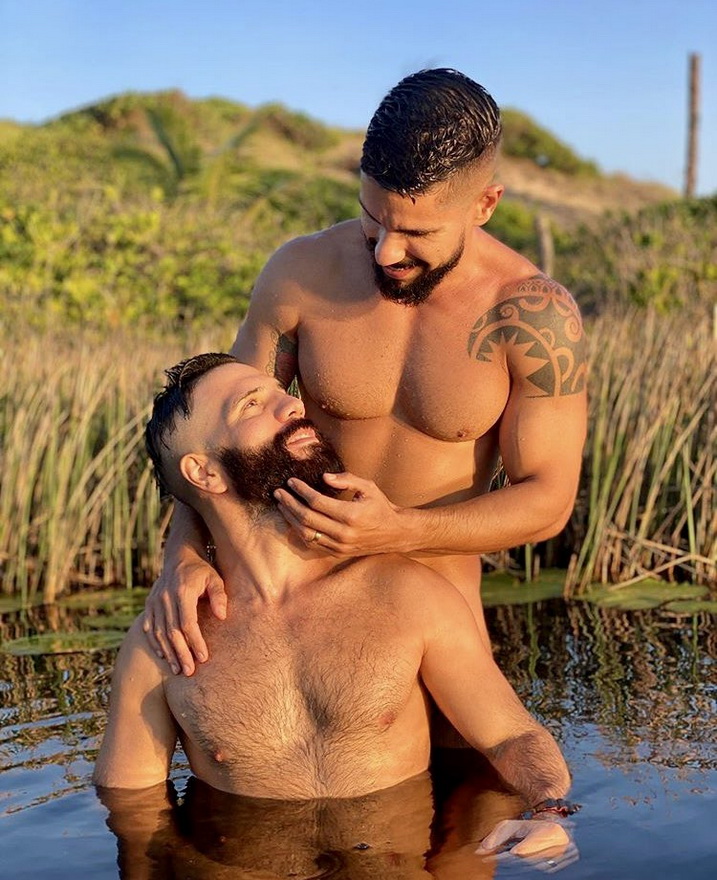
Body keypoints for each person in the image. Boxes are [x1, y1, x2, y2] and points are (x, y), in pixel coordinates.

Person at [143, 67, 587, 684]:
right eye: (371, 218)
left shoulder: (532, 316)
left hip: (439, 636)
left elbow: (549, 502)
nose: (385, 251)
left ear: (485, 205)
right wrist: (184, 557)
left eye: (416, 232)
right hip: (295, 623)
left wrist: (400, 531)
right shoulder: (301, 273)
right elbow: (216, 439)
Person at [94, 354, 574, 860]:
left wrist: (551, 814)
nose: (293, 406)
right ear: (204, 472)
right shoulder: (166, 638)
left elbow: (512, 737)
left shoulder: (407, 596)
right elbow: (131, 812)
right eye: (251, 405)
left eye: (281, 394)